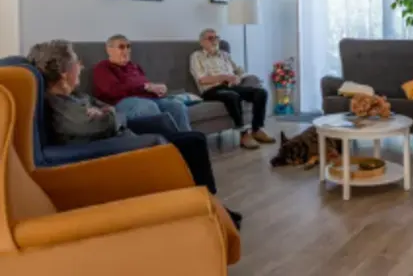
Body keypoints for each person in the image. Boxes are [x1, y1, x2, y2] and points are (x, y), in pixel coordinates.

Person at [29, 40, 242, 229]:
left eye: (128, 46)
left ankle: (203, 199)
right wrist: (110, 113)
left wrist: (108, 112)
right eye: (77, 62)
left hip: (124, 129)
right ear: (64, 72)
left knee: (185, 129)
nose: (81, 66)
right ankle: (208, 207)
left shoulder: (74, 94)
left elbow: (104, 109)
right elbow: (102, 117)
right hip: (120, 144)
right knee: (191, 142)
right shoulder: (62, 104)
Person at [190, 28, 274, 149]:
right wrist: (224, 77)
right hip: (211, 90)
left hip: (231, 87)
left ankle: (257, 129)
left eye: (216, 38)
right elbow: (201, 79)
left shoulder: (224, 55)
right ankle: (244, 135)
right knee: (233, 96)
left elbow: (239, 71)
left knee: (261, 92)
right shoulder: (197, 56)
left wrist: (237, 77)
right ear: (202, 42)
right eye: (210, 38)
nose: (214, 41)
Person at [92, 34, 192, 131]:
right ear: (109, 50)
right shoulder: (103, 67)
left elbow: (144, 85)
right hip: (122, 102)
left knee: (177, 106)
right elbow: (112, 90)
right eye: (121, 47)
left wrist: (157, 90)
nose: (126, 50)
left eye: (128, 47)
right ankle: (164, 141)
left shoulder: (134, 67)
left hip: (148, 99)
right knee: (149, 107)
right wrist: (144, 87)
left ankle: (187, 139)